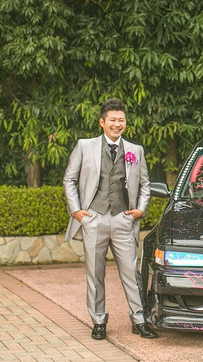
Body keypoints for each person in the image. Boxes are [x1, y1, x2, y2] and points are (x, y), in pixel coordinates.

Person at [63, 98, 157, 340]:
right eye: (113, 120)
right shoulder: (85, 146)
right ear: (102, 122)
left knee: (132, 273)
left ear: (125, 122)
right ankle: (98, 322)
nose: (117, 124)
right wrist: (77, 211)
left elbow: (145, 184)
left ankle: (139, 320)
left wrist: (141, 210)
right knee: (95, 274)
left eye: (121, 120)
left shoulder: (135, 150)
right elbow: (69, 179)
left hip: (124, 219)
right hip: (94, 218)